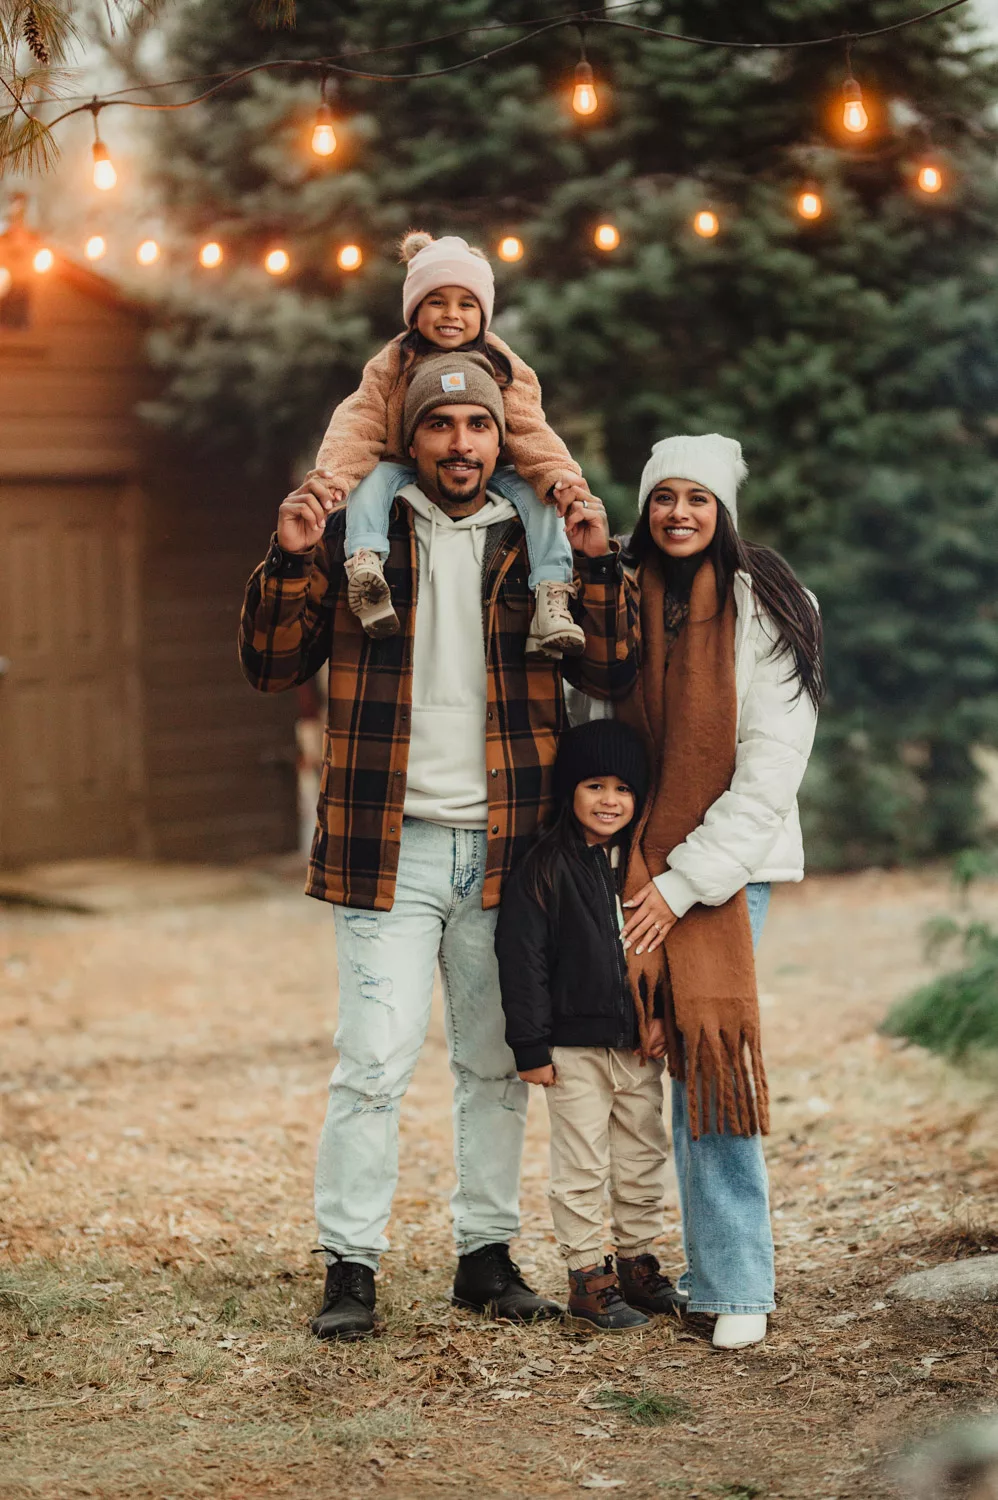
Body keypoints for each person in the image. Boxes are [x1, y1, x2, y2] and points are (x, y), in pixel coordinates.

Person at [239, 350, 637, 1340]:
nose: (460, 445)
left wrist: (597, 561)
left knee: (498, 1062)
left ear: (500, 439)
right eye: (439, 427)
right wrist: (291, 557)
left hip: (510, 851)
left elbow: (617, 667)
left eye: (477, 429)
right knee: (372, 1062)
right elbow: (268, 661)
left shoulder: (536, 538)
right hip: (391, 845)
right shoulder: (355, 537)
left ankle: (484, 1259)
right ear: (410, 437)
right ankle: (350, 1266)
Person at [616, 433, 823, 1350]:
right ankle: (635, 1262)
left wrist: (681, 884)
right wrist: (629, 871)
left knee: (706, 1064)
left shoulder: (774, 606)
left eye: (699, 499)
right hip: (629, 863)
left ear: (725, 512)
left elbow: (772, 771)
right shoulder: (617, 600)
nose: (680, 514)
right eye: (666, 497)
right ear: (646, 508)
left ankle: (738, 1281)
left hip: (732, 869)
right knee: (639, 1062)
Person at [314, 230, 587, 657]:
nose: (451, 315)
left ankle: (551, 595)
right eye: (436, 301)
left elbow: (529, 426)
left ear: (484, 312)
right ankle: (366, 565)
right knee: (372, 481)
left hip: (487, 470)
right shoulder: (395, 359)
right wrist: (335, 475)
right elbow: (361, 416)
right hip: (409, 464)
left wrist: (560, 476)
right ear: (414, 309)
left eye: (466, 304)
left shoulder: (499, 361)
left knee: (540, 501)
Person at [496, 719, 685, 1333]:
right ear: (569, 790)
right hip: (572, 1047)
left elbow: (664, 954)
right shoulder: (543, 864)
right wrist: (530, 1044)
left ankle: (635, 1264)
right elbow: (520, 960)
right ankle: (588, 1279)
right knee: (580, 1166)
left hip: (637, 1046)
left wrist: (662, 1020)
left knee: (641, 1156)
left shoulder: (646, 864)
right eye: (595, 785)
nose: (610, 801)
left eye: (624, 789)